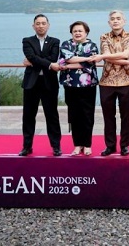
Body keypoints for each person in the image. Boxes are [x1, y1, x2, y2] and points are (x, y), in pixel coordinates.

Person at [91, 10, 129, 157]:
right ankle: (110, 145)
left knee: (126, 116)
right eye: (113, 19)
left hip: (126, 80)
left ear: (124, 21)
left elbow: (125, 54)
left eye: (118, 18)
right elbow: (107, 57)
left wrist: (103, 56)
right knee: (108, 116)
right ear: (109, 22)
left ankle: (125, 145)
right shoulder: (104, 36)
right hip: (107, 81)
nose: (115, 21)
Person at [18, 14, 62, 156]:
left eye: (43, 23)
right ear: (33, 26)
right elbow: (31, 56)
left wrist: (34, 61)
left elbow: (53, 57)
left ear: (48, 25)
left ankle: (56, 146)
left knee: (52, 115)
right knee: (28, 116)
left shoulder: (55, 41)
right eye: (38, 23)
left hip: (49, 83)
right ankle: (27, 146)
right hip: (31, 83)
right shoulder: (27, 41)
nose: (41, 26)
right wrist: (49, 64)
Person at [58, 21, 99, 156]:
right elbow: (65, 59)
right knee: (74, 115)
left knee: (87, 115)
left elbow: (90, 63)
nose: (77, 33)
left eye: (80, 31)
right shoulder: (66, 44)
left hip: (88, 85)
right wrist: (84, 59)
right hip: (70, 84)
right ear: (71, 33)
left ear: (86, 32)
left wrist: (70, 64)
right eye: (75, 31)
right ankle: (77, 144)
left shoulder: (92, 45)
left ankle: (87, 145)